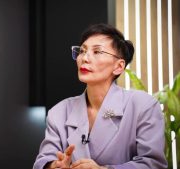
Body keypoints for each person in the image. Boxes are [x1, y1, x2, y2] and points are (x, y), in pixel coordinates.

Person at [33, 23, 167, 169]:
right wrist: (54, 165)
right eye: (82, 51)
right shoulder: (59, 112)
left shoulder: (143, 105)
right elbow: (43, 160)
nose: (85, 58)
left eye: (97, 52)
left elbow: (153, 164)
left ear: (119, 66)